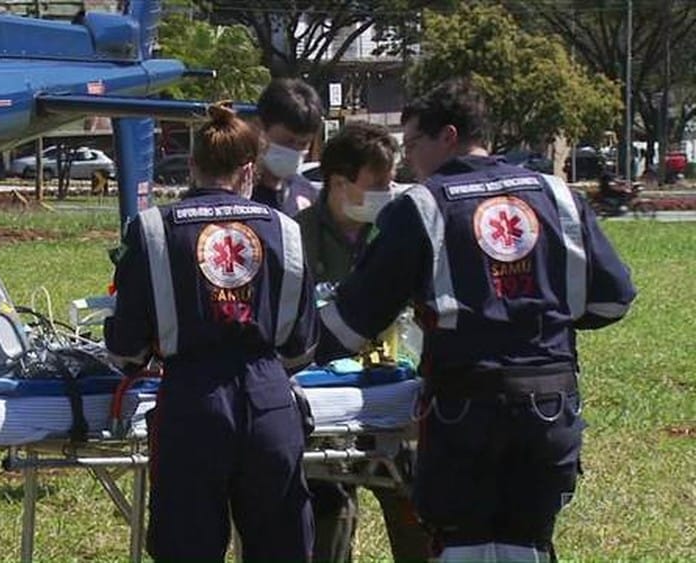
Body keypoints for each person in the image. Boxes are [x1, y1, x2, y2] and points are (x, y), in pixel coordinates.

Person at [315, 78, 636, 561]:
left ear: (447, 136)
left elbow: (351, 323)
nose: (409, 162)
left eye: (413, 145)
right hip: (549, 408)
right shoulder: (557, 195)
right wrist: (541, 321)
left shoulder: (422, 207)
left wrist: (289, 352)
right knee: (529, 542)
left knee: (461, 546)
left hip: (464, 415)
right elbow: (614, 300)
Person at [105, 103, 318, 562]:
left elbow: (127, 349)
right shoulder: (286, 230)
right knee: (283, 548)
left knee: (187, 548)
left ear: (192, 165)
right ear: (249, 170)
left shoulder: (152, 228)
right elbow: (300, 346)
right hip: (269, 400)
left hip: (191, 402)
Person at [296, 122, 431, 562]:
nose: (388, 192)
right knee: (330, 504)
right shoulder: (295, 236)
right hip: (323, 402)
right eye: (378, 184)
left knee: (417, 496)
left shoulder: (397, 234)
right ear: (339, 183)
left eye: (392, 182)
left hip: (392, 392)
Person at [252, 78, 324, 216]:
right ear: (259, 128)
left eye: (303, 144)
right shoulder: (239, 192)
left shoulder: (308, 195)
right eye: (287, 141)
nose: (294, 151)